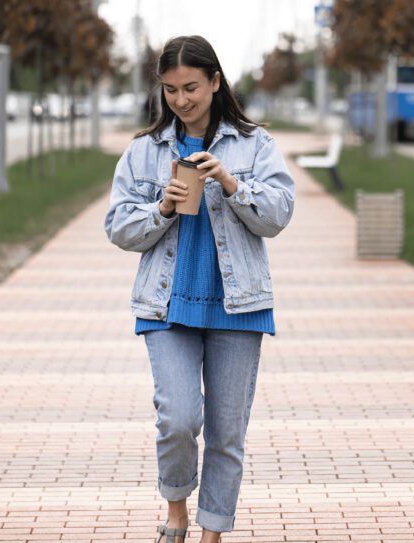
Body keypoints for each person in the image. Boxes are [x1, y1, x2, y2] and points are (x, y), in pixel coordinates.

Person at [104, 35, 295, 543]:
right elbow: (118, 227)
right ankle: (176, 511)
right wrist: (161, 209)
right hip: (166, 305)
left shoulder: (255, 144)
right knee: (179, 417)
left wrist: (233, 185)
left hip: (238, 306)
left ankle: (212, 532)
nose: (181, 100)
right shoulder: (144, 151)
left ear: (215, 81)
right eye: (170, 90)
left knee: (227, 434)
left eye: (190, 87)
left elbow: (278, 215)